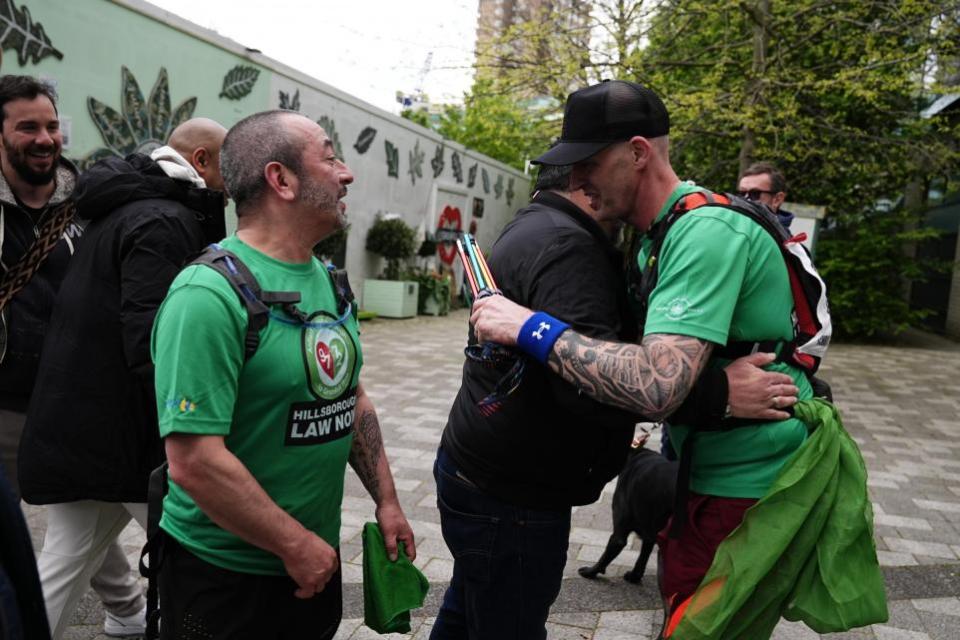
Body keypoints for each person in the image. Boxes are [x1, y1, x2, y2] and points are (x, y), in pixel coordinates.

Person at [471, 80, 811, 626]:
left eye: (586, 164)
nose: (575, 181)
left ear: (637, 153)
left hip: (746, 485)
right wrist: (718, 392)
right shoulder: (658, 232)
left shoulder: (702, 233)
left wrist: (530, 327)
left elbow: (657, 384)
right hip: (701, 471)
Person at [151, 110, 416, 640]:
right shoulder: (205, 295)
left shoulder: (329, 280)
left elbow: (349, 395)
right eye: (330, 155)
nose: (347, 173)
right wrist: (295, 544)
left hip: (312, 560)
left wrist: (387, 502)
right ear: (282, 179)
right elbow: (194, 461)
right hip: (227, 578)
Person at [17, 117, 229, 639]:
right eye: (231, 163)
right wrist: (193, 426)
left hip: (87, 424)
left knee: (61, 566)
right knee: (208, 554)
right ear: (201, 161)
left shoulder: (135, 205)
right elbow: (152, 343)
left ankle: (125, 621)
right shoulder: (164, 219)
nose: (237, 178)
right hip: (122, 434)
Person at [0, 74, 144, 639]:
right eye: (28, 127)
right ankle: (127, 609)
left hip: (77, 395)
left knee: (78, 505)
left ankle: (129, 611)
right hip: (7, 402)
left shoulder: (91, 202)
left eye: (52, 125)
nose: (44, 138)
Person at [737, 161, 794, 230]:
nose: (746, 200)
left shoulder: (783, 239)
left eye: (755, 194)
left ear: (777, 199)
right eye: (742, 193)